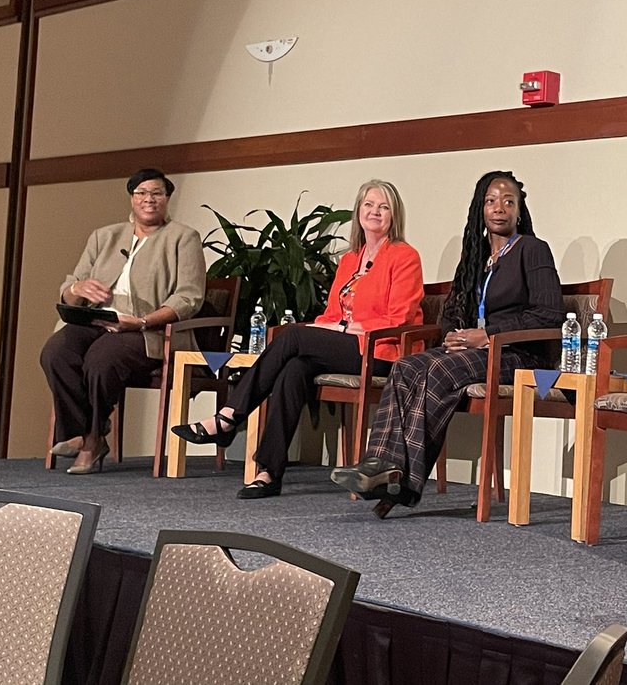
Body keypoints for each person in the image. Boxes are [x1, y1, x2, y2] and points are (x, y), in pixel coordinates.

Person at [331, 170, 565, 517]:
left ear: (519, 210)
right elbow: (455, 309)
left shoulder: (532, 250)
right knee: (407, 366)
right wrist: (456, 332)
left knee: (438, 369)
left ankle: (403, 480)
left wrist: (486, 335)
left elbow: (549, 314)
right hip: (476, 352)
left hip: (519, 355)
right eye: (490, 201)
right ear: (479, 210)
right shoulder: (476, 254)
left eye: (508, 201)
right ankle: (379, 463)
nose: (499, 207)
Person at [172, 179, 424, 499]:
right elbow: (332, 314)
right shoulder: (350, 260)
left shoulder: (404, 256)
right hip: (350, 345)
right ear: (358, 212)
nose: (375, 212)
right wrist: (332, 328)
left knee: (292, 336)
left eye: (383, 206)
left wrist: (348, 328)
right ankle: (269, 471)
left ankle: (229, 417)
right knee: (294, 370)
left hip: (384, 351)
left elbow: (400, 318)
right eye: (369, 205)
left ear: (394, 214)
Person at [41, 168, 206, 474]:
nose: (149, 200)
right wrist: (77, 289)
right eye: (142, 193)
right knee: (56, 352)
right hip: (95, 320)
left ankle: (89, 443)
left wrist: (142, 321)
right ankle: (83, 431)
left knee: (103, 358)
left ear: (167, 198)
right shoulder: (104, 236)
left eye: (157, 193)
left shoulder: (183, 238)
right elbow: (70, 286)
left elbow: (189, 297)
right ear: (131, 198)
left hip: (147, 330)